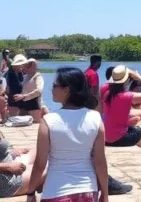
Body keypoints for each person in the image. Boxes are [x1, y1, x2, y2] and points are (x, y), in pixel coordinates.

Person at [27, 67, 110, 202]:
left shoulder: (48, 121)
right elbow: (100, 161)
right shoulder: (95, 117)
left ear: (66, 90)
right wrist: (105, 194)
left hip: (56, 191)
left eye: (55, 86)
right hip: (87, 190)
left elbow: (40, 164)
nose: (51, 89)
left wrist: (31, 192)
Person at [101, 66, 141, 154]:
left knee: (137, 123)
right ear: (126, 80)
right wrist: (140, 78)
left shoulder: (106, 93)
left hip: (106, 139)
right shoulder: (128, 96)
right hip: (121, 139)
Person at [12, 57, 46, 122]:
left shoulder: (38, 76)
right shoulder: (25, 76)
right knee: (20, 122)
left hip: (35, 103)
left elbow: (39, 91)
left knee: (36, 123)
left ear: (34, 66)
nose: (25, 67)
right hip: (24, 102)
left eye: (28, 65)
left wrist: (24, 96)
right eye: (26, 65)